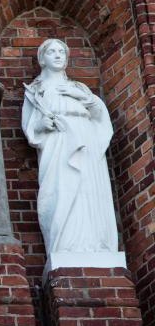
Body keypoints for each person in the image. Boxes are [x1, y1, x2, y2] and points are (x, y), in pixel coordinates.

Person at [22, 38, 118, 254]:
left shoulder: (78, 87)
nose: (58, 55)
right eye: (52, 52)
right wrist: (41, 125)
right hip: (58, 141)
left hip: (85, 139)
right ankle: (65, 244)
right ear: (42, 59)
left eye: (61, 52)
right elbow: (29, 125)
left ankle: (95, 243)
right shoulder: (37, 89)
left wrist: (86, 99)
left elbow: (99, 115)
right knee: (61, 190)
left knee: (88, 189)